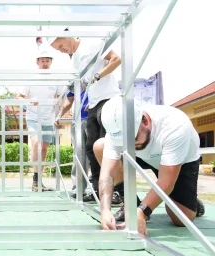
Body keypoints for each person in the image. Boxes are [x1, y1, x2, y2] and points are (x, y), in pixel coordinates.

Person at [95, 96, 205, 235]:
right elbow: (107, 173)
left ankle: (189, 201)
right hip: (145, 156)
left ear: (145, 121)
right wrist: (105, 210)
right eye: (123, 143)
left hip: (179, 161)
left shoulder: (176, 125)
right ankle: (131, 204)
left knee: (181, 219)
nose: (129, 146)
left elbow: (166, 181)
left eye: (133, 139)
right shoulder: (117, 129)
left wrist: (143, 212)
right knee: (100, 146)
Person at [46, 27, 122, 204]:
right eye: (57, 49)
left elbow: (116, 60)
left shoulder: (92, 44)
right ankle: (98, 190)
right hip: (93, 105)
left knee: (107, 148)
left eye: (60, 45)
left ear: (66, 36)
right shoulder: (75, 61)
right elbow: (78, 89)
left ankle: (117, 191)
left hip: (108, 100)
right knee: (91, 148)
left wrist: (96, 76)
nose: (61, 50)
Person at [17, 49, 64, 192]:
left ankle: (38, 180)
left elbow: (60, 99)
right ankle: (35, 179)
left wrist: (59, 115)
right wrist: (30, 102)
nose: (45, 63)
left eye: (47, 61)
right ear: (37, 62)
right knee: (36, 143)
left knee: (44, 149)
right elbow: (19, 96)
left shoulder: (56, 79)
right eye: (42, 60)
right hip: (33, 117)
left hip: (48, 119)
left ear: (51, 62)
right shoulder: (31, 78)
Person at [55, 90, 89, 198]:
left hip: (94, 116)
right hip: (78, 120)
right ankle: (78, 190)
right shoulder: (73, 82)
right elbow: (69, 101)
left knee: (96, 154)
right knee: (79, 155)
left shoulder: (96, 75)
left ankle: (99, 190)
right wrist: (59, 116)